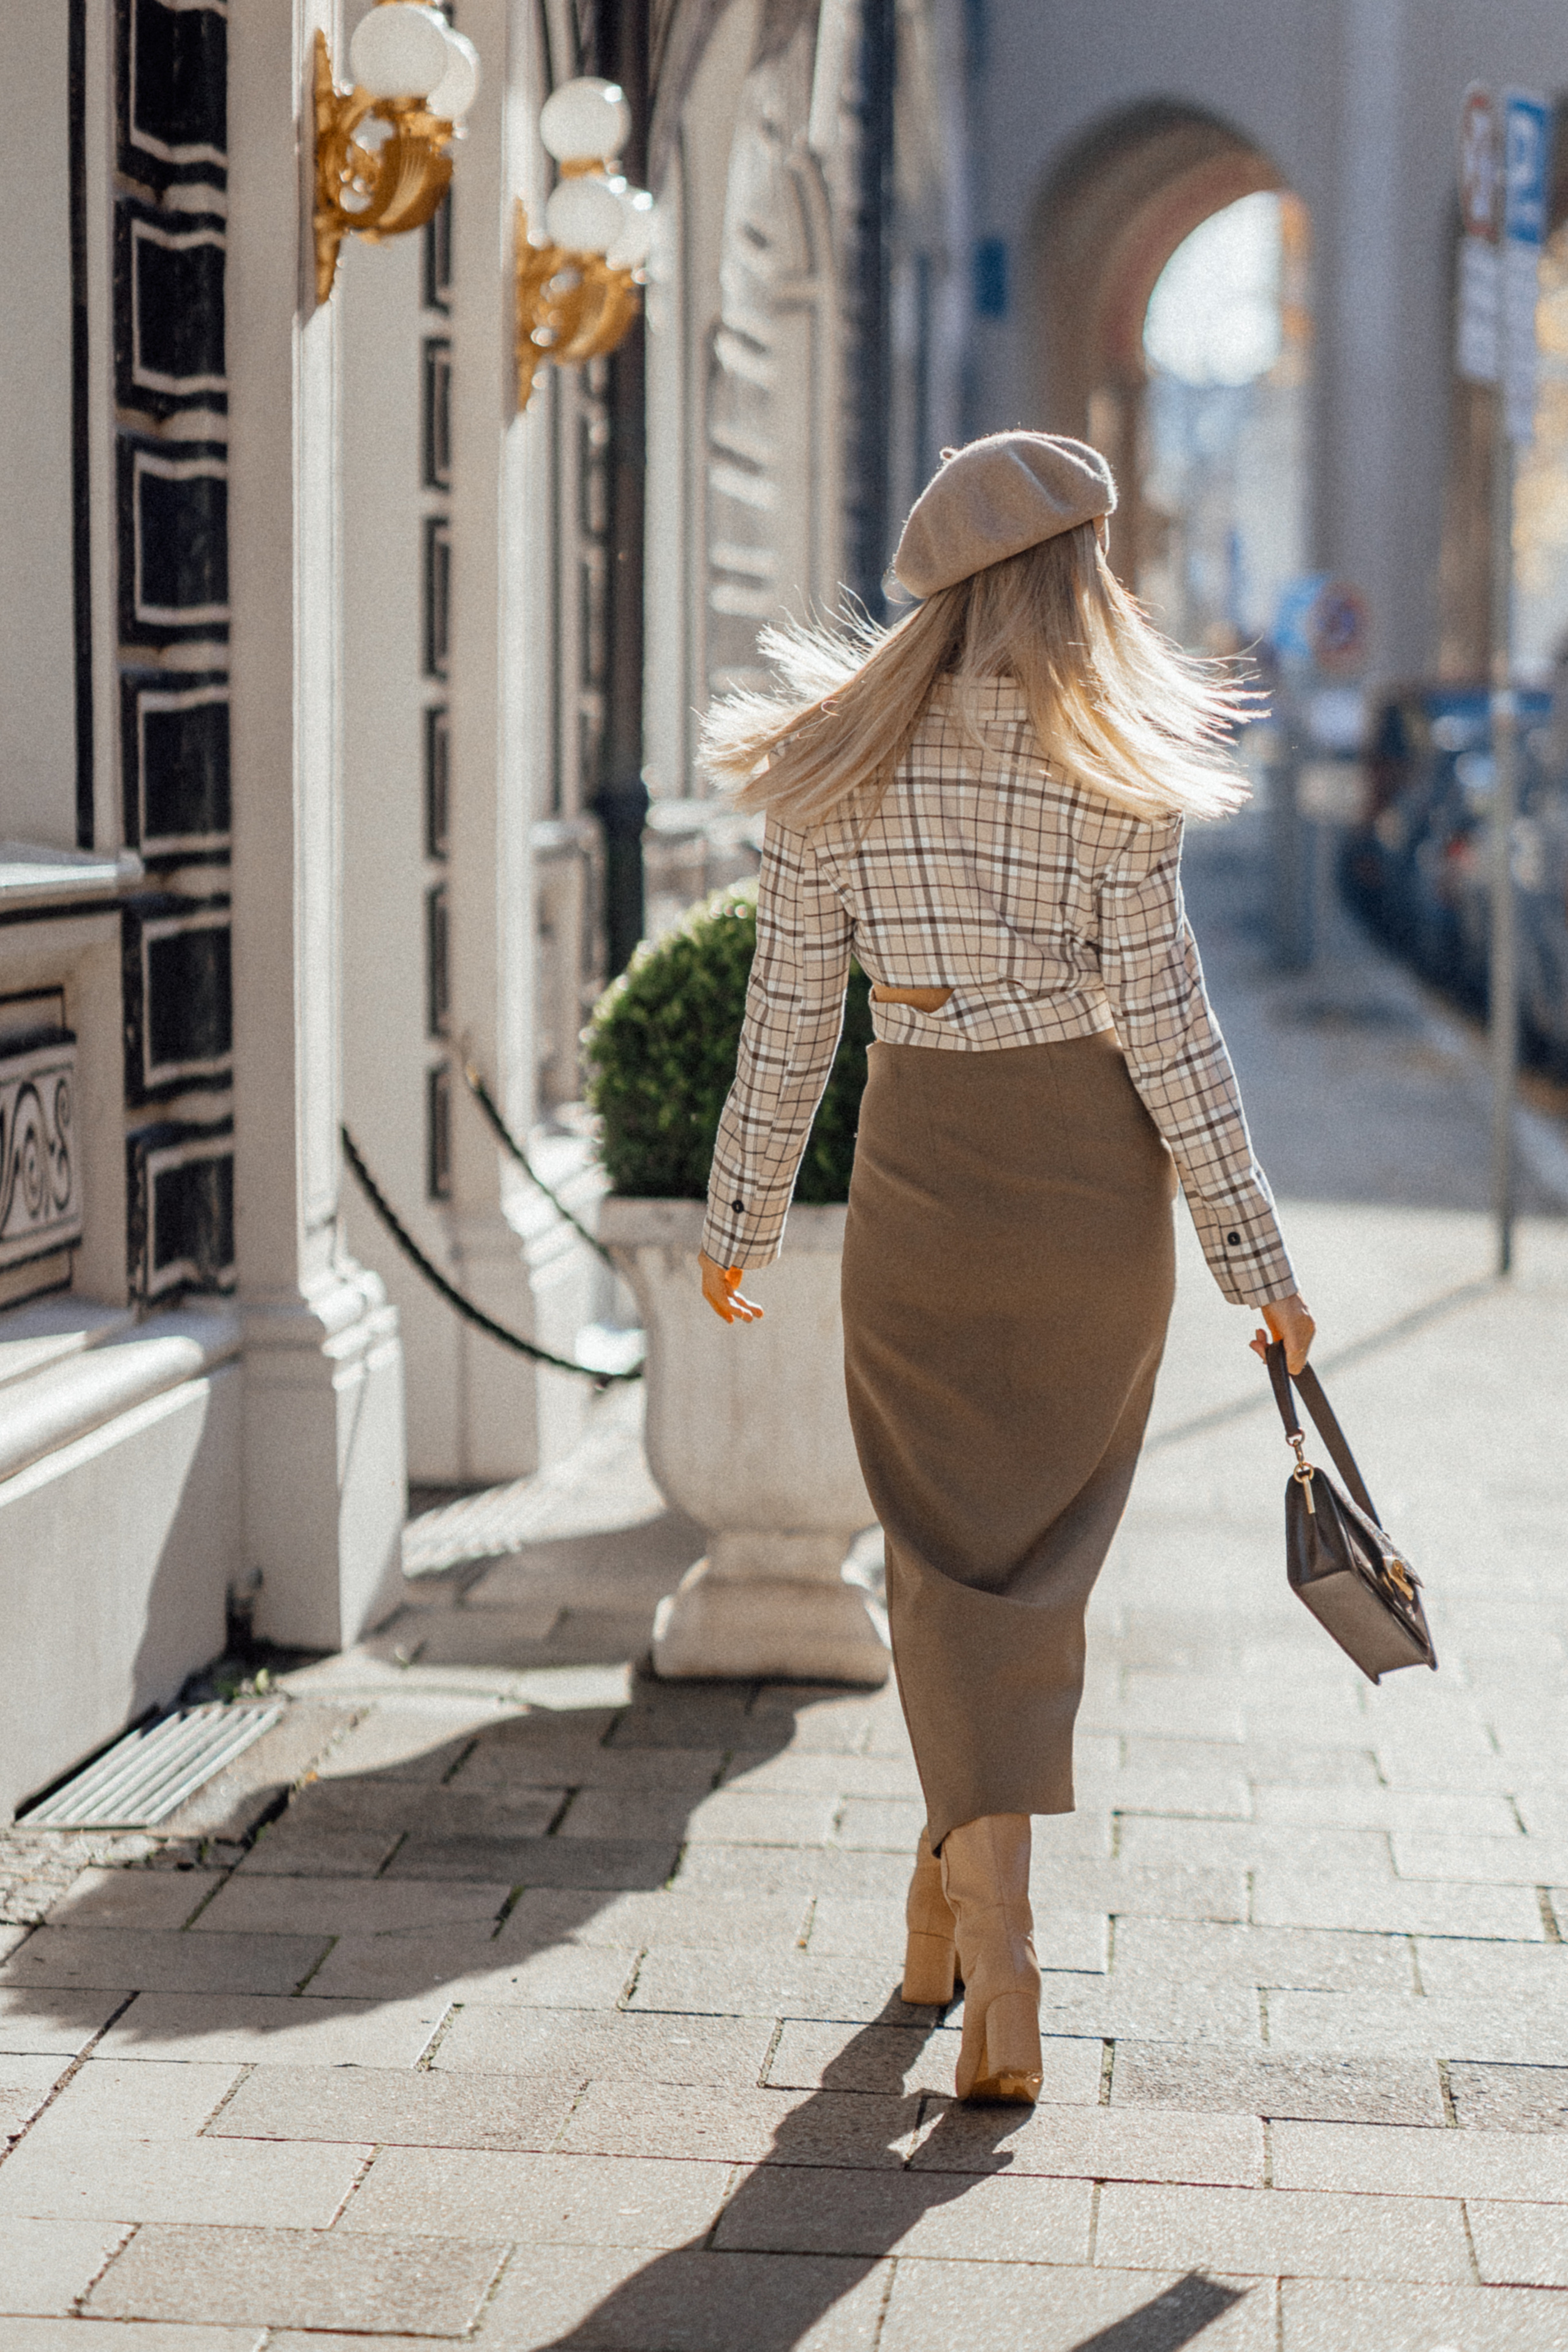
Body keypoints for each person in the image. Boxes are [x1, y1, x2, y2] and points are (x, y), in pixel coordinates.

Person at [692, 432, 1314, 2106]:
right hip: (1090, 1203)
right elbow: (1176, 1039)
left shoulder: (834, 765)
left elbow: (785, 1026)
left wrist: (739, 1221)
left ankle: (992, 1943)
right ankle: (968, 1928)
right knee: (1021, 1573)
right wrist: (1256, 1260)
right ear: (1070, 576)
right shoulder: (1107, 767)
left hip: (925, 1176)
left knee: (942, 1563)